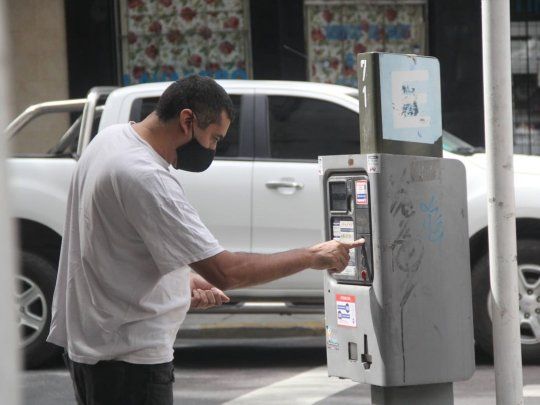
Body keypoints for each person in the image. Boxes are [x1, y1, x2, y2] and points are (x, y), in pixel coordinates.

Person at [47, 75, 363, 405]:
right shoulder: (146, 176)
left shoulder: (110, 140)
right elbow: (228, 272)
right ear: (187, 121)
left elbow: (111, 245)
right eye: (214, 138)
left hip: (91, 347)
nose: (212, 150)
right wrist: (312, 256)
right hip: (128, 360)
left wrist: (179, 281)